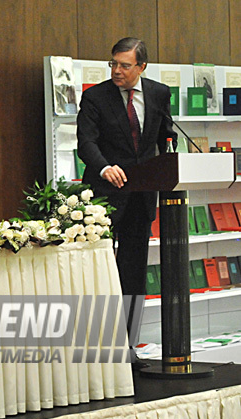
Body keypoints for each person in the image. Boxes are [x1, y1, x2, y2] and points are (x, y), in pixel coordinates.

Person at [77, 37, 177, 366]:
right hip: (103, 198)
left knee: (133, 272)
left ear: (142, 67)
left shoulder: (160, 94)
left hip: (141, 196)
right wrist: (104, 166)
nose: (117, 71)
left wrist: (171, 153)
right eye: (113, 64)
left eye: (124, 65)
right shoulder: (95, 96)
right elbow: (86, 143)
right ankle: (95, 346)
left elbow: (165, 134)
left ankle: (128, 347)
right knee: (99, 270)